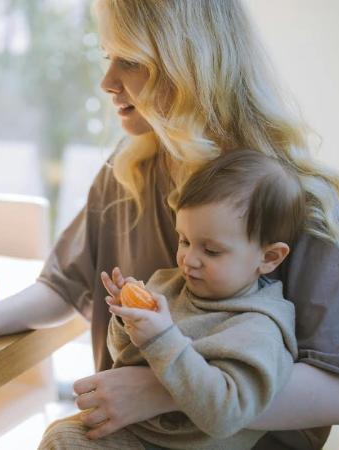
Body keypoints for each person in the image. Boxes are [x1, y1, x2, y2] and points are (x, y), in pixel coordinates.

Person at [0, 0, 339, 448]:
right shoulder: (129, 169)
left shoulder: (294, 198)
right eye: (107, 58)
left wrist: (161, 391)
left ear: (189, 64)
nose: (107, 83)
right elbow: (65, 285)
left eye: (132, 61)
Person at [40, 149, 306, 449]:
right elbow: (125, 359)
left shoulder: (259, 328)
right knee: (61, 436)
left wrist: (162, 337)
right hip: (140, 432)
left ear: (269, 257)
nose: (189, 259)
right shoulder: (170, 285)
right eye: (185, 240)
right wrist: (128, 321)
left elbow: (225, 415)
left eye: (212, 250)